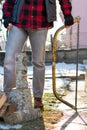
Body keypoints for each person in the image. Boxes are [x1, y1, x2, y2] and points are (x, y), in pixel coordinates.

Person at [2, 0, 74, 110]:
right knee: (9, 60)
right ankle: (7, 97)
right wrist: (6, 16)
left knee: (38, 62)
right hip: (18, 22)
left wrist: (67, 14)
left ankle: (38, 98)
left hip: (41, 23)